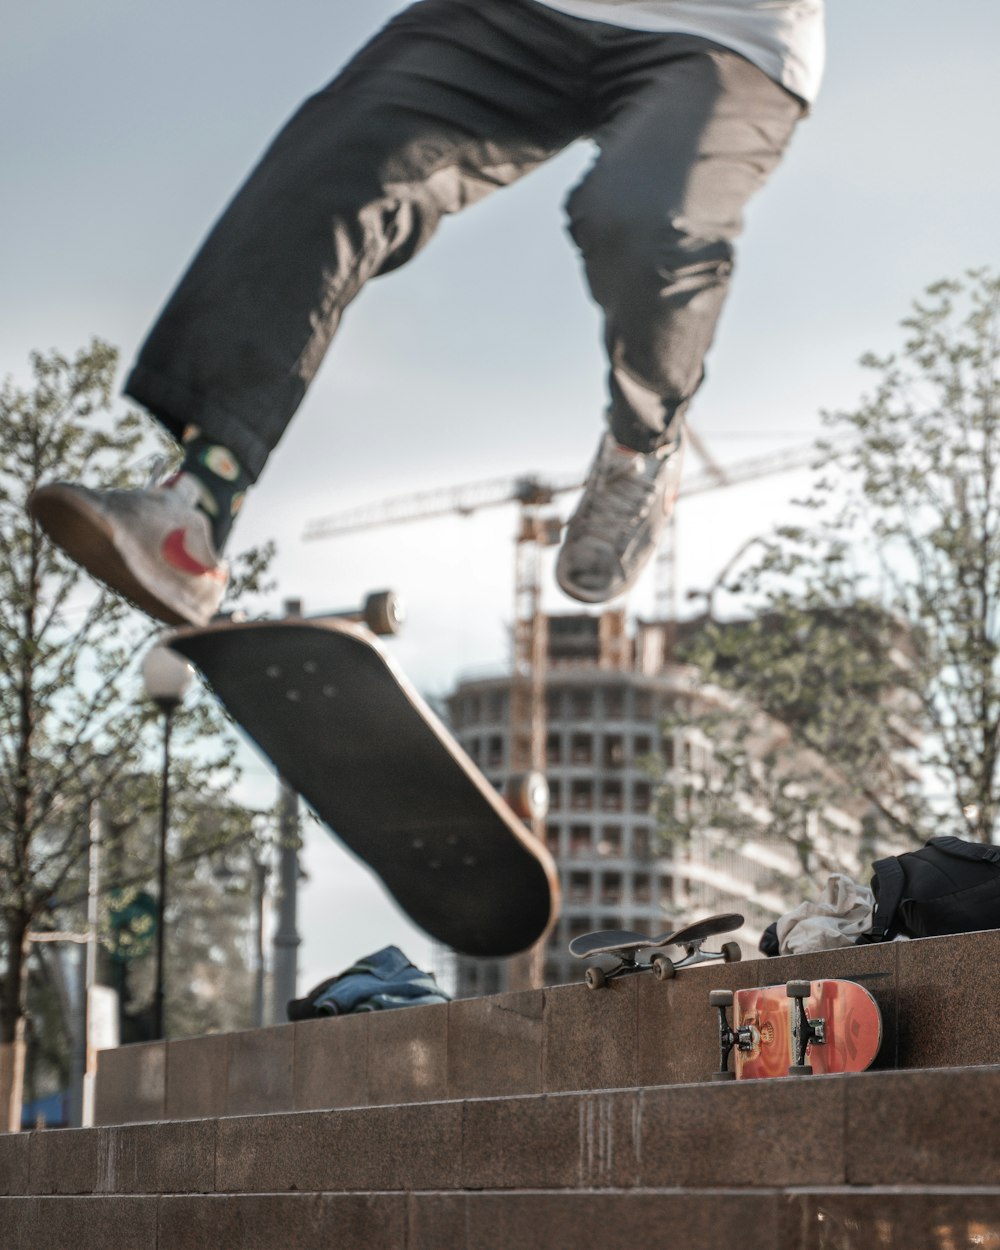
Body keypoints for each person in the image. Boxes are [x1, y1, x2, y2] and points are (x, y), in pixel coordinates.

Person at [30, 0, 825, 627]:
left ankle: (641, 445)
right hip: (518, 16)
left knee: (644, 217)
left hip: (730, 36)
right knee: (340, 162)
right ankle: (197, 510)